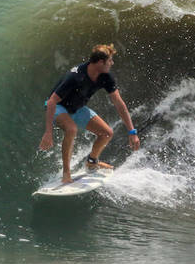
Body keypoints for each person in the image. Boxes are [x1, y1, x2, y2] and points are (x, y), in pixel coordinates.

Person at [39, 44, 141, 183]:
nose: (112, 63)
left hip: (78, 108)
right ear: (100, 62)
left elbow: (119, 103)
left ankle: (92, 162)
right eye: (110, 60)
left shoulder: (106, 77)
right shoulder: (75, 76)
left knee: (107, 133)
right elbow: (51, 102)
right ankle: (66, 174)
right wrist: (48, 132)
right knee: (71, 129)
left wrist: (132, 132)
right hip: (58, 106)